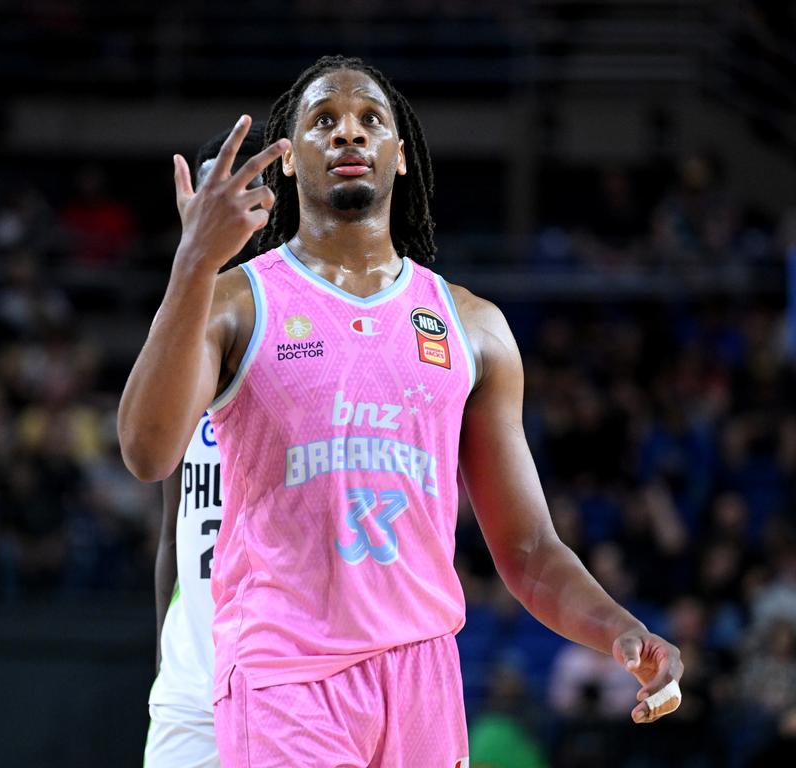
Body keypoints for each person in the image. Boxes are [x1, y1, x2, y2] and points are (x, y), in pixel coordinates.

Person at [118, 55, 684, 767]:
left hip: (423, 677)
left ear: (402, 157)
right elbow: (146, 452)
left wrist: (619, 627)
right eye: (323, 122)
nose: (348, 134)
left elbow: (531, 551)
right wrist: (194, 263)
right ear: (289, 163)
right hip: (283, 673)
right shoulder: (236, 300)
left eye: (369, 121)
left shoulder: (472, 325)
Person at [145, 121, 267, 768]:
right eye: (207, 181)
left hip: (281, 671)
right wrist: (166, 664)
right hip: (190, 684)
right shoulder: (182, 328)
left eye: (239, 180)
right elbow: (172, 527)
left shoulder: (295, 314)